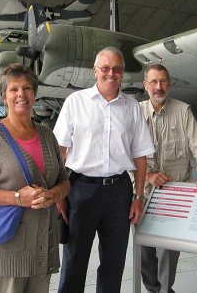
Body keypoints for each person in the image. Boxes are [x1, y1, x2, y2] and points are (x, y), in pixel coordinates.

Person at [53, 46, 155, 293]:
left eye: (117, 69)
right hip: (80, 190)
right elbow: (60, 153)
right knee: (74, 261)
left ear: (122, 73)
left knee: (113, 263)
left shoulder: (132, 108)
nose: (111, 73)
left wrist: (138, 197)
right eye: (106, 68)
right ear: (95, 71)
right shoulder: (75, 103)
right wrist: (58, 194)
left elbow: (140, 157)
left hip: (119, 192)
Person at [0, 63, 70, 293]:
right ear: (4, 96)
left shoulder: (47, 134)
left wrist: (54, 195)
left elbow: (64, 180)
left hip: (43, 248)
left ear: (35, 94)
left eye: (27, 88)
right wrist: (18, 197)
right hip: (8, 252)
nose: (21, 94)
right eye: (14, 89)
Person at [140, 63, 197, 293]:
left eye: (163, 81)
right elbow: (125, 152)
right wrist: (149, 176)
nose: (159, 86)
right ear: (145, 86)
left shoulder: (183, 111)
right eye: (153, 82)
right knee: (145, 251)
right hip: (143, 194)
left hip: (175, 197)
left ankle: (164, 290)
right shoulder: (136, 112)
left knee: (169, 252)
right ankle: (153, 288)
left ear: (170, 84)